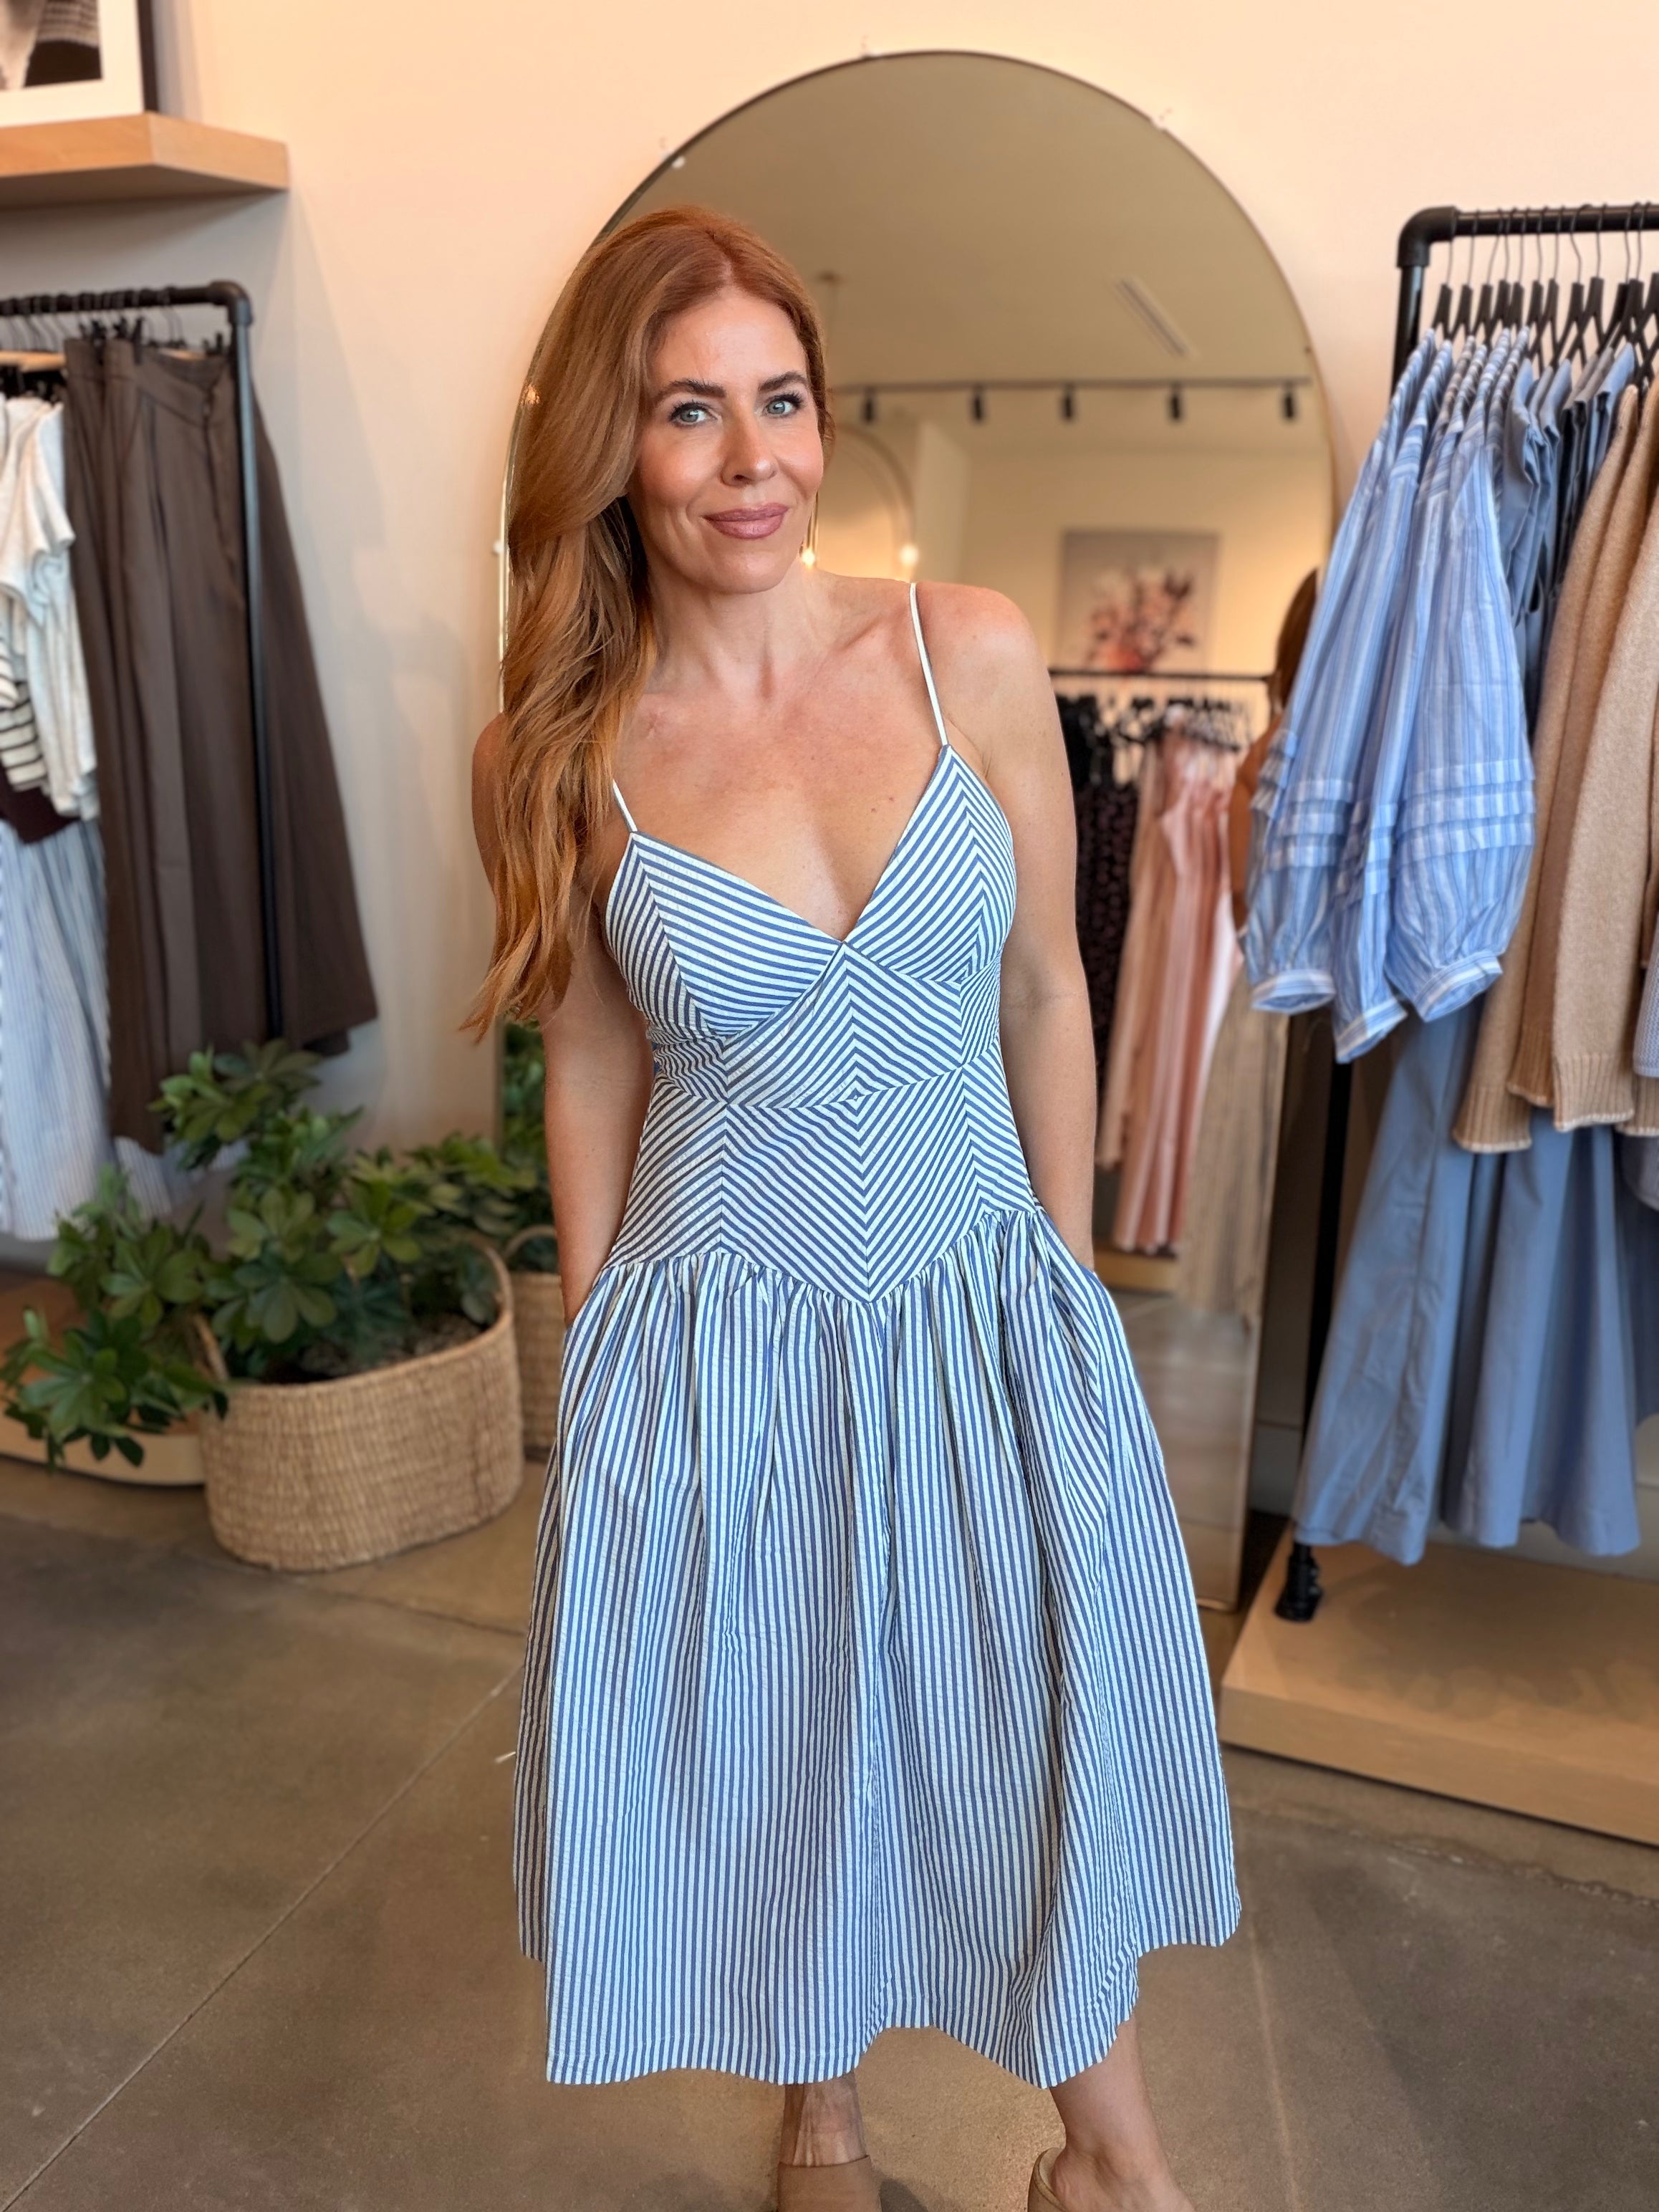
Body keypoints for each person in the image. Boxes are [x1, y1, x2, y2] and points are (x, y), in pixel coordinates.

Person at [470, 206, 1239, 2212]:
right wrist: (598, 1346)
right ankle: (820, 2111)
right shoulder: (559, 749)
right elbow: (590, 1059)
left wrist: (1069, 1278)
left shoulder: (960, 651)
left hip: (978, 1297)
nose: (753, 462)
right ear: (612, 453)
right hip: (718, 1320)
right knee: (781, 1722)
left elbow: (1048, 987)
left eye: (783, 401)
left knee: (1023, 1727)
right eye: (688, 412)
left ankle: (1112, 2162)